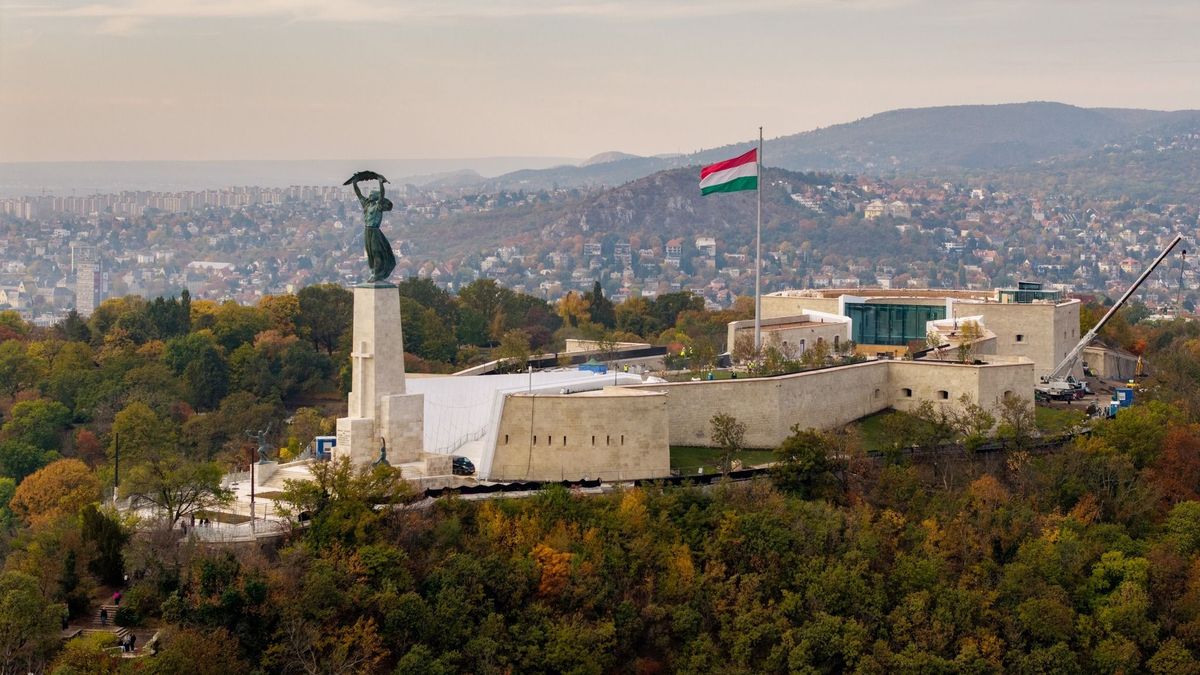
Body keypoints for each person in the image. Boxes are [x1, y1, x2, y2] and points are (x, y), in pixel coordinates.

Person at [352, 177, 396, 283]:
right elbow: (359, 194)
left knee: (377, 252)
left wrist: (381, 183)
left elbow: (382, 194)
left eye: (372, 195)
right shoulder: (366, 205)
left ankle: (377, 274)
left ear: (375, 197)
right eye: (370, 194)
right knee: (370, 253)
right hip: (367, 231)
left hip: (375, 231)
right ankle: (373, 272)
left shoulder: (378, 206)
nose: (370, 195)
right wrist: (354, 183)